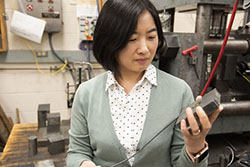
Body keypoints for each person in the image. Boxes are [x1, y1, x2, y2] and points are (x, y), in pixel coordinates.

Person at [66, 0, 223, 166]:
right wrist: (83, 164)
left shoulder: (179, 91)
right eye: (132, 39)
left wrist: (194, 148)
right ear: (110, 41)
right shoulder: (86, 94)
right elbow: (77, 152)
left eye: (151, 37)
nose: (144, 49)